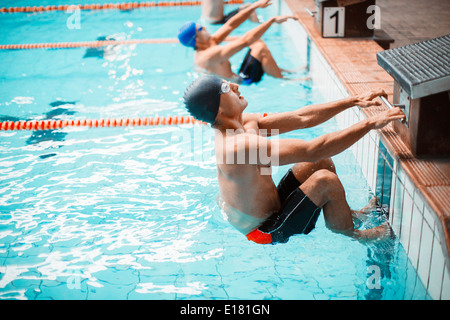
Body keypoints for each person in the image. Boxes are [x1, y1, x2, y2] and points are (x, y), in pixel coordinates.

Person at [183, 75, 405, 244]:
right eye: (225, 88)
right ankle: (356, 235)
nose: (235, 85)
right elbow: (313, 148)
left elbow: (302, 118)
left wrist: (353, 101)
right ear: (219, 109)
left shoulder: (245, 123)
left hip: (271, 207)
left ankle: (351, 215)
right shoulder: (236, 146)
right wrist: (370, 123)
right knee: (324, 180)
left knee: (319, 164)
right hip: (264, 230)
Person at [178, 0, 297, 84]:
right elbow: (246, 40)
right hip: (243, 81)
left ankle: (279, 71)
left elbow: (230, 25)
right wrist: (272, 21)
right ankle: (286, 80)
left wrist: (254, 6)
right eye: (200, 29)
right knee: (260, 48)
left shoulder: (208, 43)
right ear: (197, 39)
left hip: (237, 75)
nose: (204, 27)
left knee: (258, 43)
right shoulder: (208, 56)